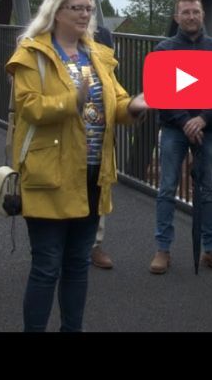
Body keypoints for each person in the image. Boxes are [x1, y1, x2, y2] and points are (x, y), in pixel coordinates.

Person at [6, 0, 148, 332]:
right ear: (56, 11)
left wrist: (134, 106)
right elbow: (29, 107)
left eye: (88, 8)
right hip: (49, 173)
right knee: (47, 265)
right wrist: (74, 100)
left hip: (93, 173)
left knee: (77, 264)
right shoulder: (32, 53)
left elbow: (115, 103)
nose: (85, 15)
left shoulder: (97, 54)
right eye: (77, 8)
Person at [149, 0, 212, 275]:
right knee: (167, 187)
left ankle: (211, 250)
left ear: (202, 15)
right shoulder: (164, 50)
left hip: (207, 129)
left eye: (195, 12)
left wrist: (202, 119)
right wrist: (187, 120)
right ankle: (163, 249)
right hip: (174, 129)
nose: (191, 17)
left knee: (208, 190)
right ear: (177, 17)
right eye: (185, 12)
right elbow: (160, 93)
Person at [91, 24, 115, 270]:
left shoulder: (102, 37)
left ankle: (94, 244)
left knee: (98, 183)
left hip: (96, 132)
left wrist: (129, 107)